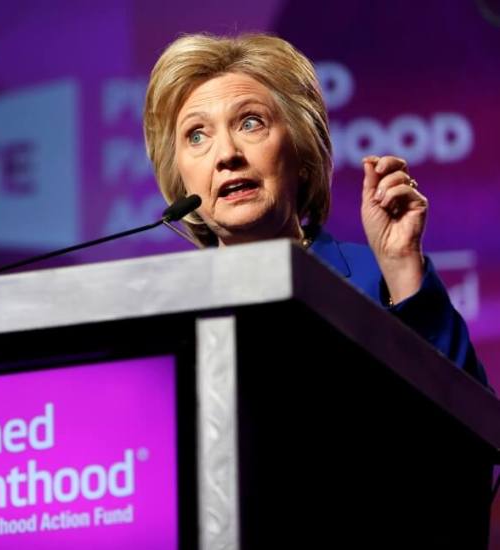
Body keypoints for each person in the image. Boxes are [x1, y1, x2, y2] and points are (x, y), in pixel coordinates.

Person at [143, 32, 489, 387]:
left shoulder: (380, 279)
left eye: (250, 123)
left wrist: (402, 266)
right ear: (182, 180)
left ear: (303, 156)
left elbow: (475, 425)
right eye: (197, 135)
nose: (227, 154)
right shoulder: (165, 310)